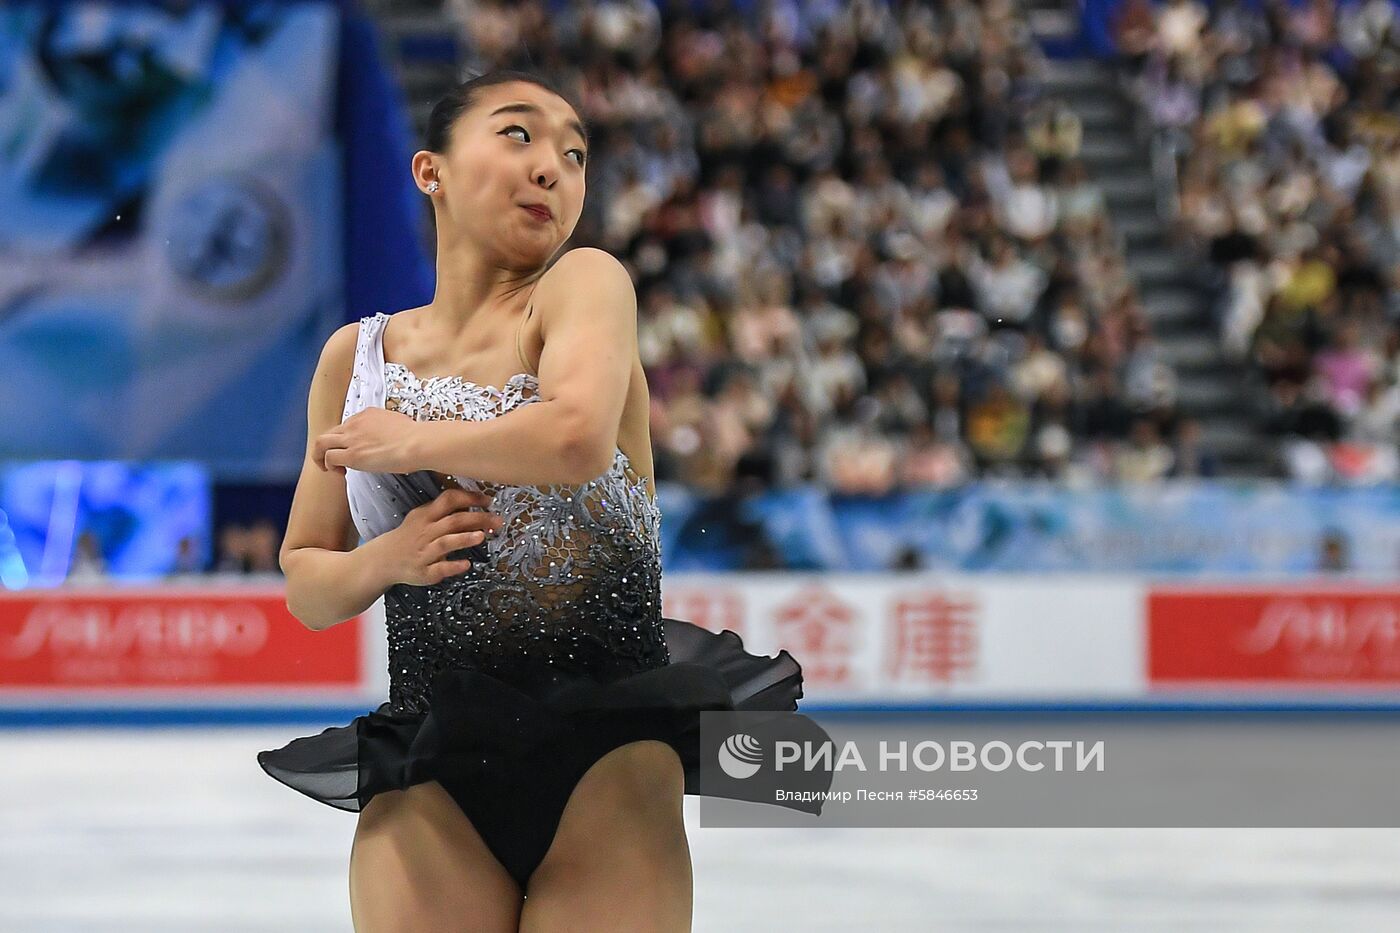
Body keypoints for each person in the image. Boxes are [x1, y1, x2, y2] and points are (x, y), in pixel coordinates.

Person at [256, 71, 813, 932]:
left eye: (575, 152)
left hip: (608, 758)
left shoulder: (582, 286)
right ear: (430, 171)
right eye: (517, 134)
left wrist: (406, 441)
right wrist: (384, 558)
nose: (552, 166)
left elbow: (574, 437)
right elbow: (306, 584)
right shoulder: (352, 358)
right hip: (431, 762)